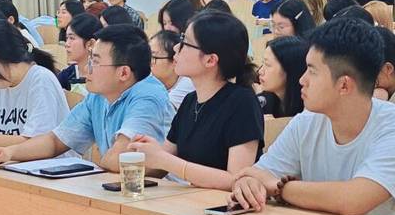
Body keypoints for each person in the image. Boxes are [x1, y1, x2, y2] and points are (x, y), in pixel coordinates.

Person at [228, 19, 395, 215]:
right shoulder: (307, 122)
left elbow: (352, 200)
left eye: (312, 71)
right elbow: (260, 174)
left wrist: (278, 187)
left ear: (344, 85)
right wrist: (249, 184)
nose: (302, 80)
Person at [0, 25, 174, 172]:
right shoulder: (98, 96)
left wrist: (101, 161)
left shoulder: (148, 96)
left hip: (164, 196)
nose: (87, 68)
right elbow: (55, 141)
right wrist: (9, 153)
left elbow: (120, 159)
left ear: (123, 73)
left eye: (95, 62)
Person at [127, 13, 264, 189]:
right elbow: (164, 162)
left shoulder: (242, 103)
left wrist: (165, 160)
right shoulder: (190, 101)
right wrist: (148, 152)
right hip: (192, 200)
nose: (176, 47)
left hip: (224, 204)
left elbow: (237, 179)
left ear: (210, 60)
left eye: (185, 43)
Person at [256, 36, 308, 118]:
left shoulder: (309, 110)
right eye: (263, 63)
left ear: (289, 69)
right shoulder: (263, 102)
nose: (260, 71)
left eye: (268, 65)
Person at [149, 30, 194, 110]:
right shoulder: (147, 79)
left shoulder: (188, 83)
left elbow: (161, 112)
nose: (148, 62)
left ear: (175, 61)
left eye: (153, 57)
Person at [58, 13, 101, 94]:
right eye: (67, 38)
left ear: (90, 44)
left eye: (72, 38)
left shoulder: (104, 75)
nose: (67, 44)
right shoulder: (66, 76)